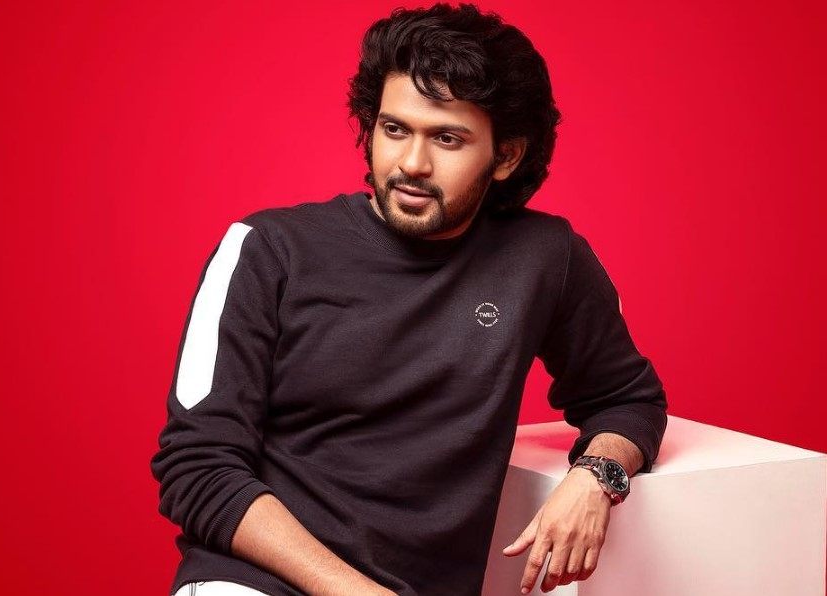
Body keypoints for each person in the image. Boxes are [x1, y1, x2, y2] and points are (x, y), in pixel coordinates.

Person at [151, 4, 668, 596]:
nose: (412, 164)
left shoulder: (546, 258)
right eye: (395, 129)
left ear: (506, 156)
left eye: (447, 138)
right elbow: (197, 467)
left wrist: (597, 476)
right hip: (254, 583)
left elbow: (627, 399)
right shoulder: (267, 249)